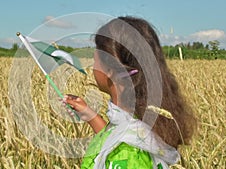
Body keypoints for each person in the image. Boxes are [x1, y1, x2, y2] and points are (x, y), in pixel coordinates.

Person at [63, 16, 197, 169]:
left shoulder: (126, 156)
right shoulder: (144, 121)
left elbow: (122, 146)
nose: (92, 67)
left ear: (109, 70)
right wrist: (90, 116)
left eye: (95, 61)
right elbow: (119, 137)